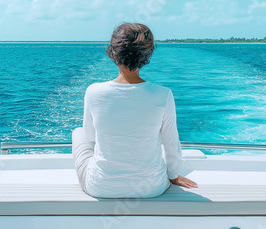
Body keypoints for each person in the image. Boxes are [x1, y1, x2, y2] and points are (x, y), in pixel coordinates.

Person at [72, 23, 198, 198]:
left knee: (79, 132)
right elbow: (171, 145)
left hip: (101, 188)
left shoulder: (94, 92)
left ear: (114, 53)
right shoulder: (163, 95)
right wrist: (173, 177)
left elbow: (90, 138)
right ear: (147, 55)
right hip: (151, 188)